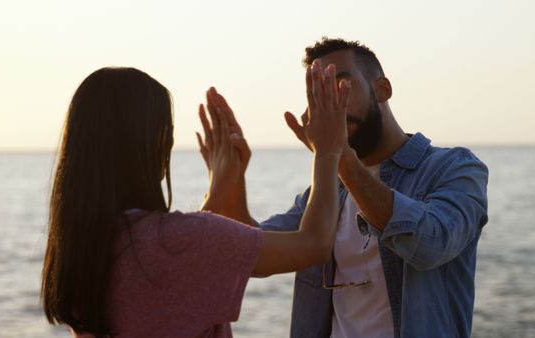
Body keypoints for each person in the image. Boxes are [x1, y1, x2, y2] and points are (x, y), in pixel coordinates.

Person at [196, 38, 489, 338]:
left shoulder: (454, 168)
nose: (330, 105)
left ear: (382, 89)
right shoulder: (324, 195)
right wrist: (227, 180)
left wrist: (337, 156)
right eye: (318, 93)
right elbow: (252, 254)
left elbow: (430, 244)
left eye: (340, 86)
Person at [40, 66, 352, 337]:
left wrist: (222, 185)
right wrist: (327, 151)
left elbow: (180, 265)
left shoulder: (83, 247)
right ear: (153, 141)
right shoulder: (181, 242)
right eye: (167, 131)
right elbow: (313, 244)